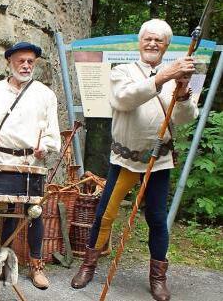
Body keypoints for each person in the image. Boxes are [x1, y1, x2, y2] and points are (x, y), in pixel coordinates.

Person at [70, 19, 198, 301]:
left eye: (159, 40)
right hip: (124, 160)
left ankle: (158, 278)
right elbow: (124, 99)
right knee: (105, 214)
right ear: (140, 43)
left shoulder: (177, 76)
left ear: (166, 46)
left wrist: (183, 94)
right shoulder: (122, 71)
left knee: (156, 219)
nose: (152, 44)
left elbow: (185, 118)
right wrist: (162, 78)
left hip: (159, 162)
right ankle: (88, 266)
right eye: (148, 39)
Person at [0, 41, 61, 289]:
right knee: (7, 211)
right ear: (9, 63)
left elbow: (51, 131)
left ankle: (36, 265)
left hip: (30, 161)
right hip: (1, 159)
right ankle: (3, 262)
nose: (25, 66)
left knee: (34, 212)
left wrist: (44, 146)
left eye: (30, 62)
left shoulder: (45, 94)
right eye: (20, 61)